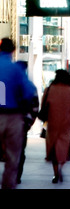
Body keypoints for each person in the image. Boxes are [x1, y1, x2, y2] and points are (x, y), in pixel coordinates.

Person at [0, 38, 37, 189]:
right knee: (12, 157)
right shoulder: (16, 70)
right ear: (13, 51)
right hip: (12, 116)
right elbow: (29, 92)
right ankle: (8, 184)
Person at [39, 69, 70, 183]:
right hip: (66, 123)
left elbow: (43, 105)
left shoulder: (49, 90)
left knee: (53, 147)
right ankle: (61, 166)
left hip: (52, 122)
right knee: (63, 147)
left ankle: (56, 173)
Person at [15, 61, 39, 184]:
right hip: (22, 124)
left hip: (6, 123)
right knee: (20, 152)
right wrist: (28, 124)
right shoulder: (30, 86)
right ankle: (17, 176)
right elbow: (35, 108)